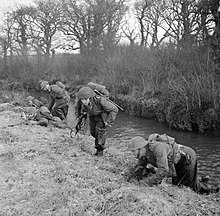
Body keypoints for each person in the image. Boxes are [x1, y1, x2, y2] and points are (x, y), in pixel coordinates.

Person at [127, 133, 219, 194]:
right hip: (176, 162)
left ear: (141, 148)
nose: (133, 154)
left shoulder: (158, 148)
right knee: (177, 186)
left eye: (133, 151)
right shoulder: (144, 154)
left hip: (187, 158)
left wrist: (145, 183)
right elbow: (139, 167)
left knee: (190, 189)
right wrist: (130, 179)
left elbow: (163, 171)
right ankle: (200, 180)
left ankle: (214, 189)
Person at [75, 86, 118, 156]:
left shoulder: (100, 100)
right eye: (82, 100)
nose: (84, 101)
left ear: (90, 97)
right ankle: (100, 141)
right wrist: (78, 116)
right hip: (92, 116)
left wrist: (108, 121)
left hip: (102, 116)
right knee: (93, 133)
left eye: (86, 99)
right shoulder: (80, 101)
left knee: (99, 134)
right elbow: (77, 108)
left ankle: (99, 153)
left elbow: (114, 109)